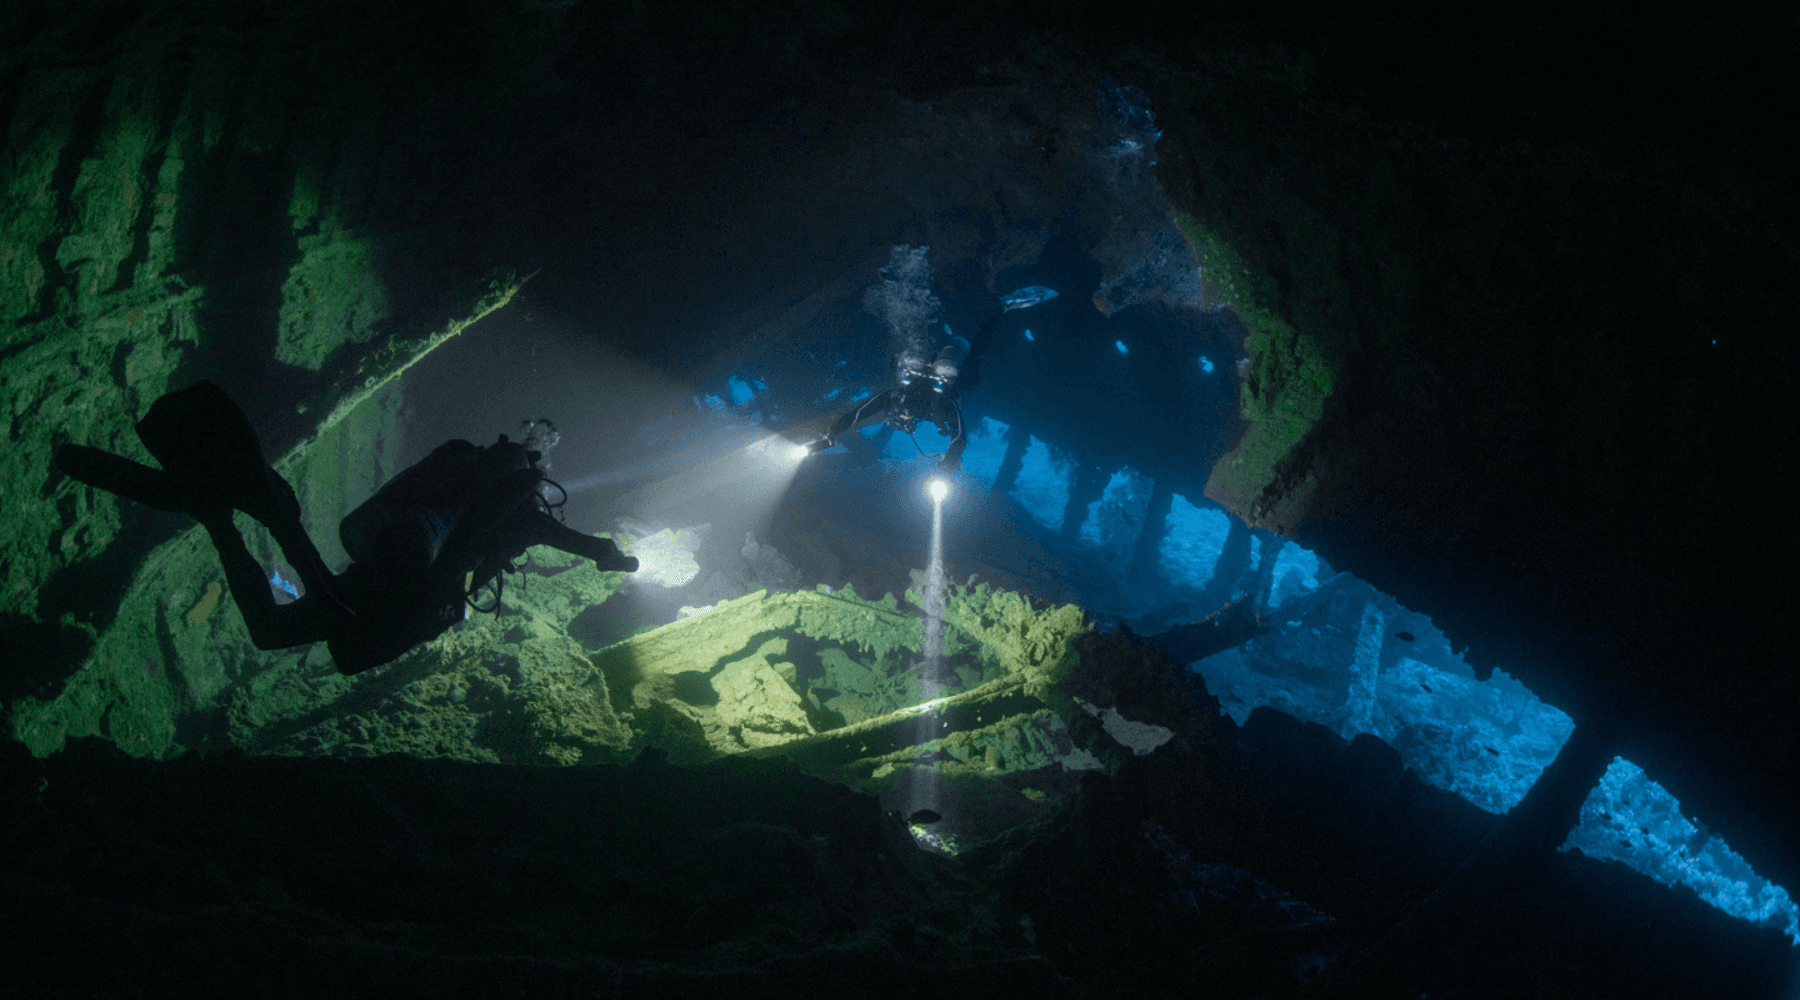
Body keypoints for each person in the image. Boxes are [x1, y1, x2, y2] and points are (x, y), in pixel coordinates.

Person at [55, 381, 637, 675]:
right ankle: (233, 518)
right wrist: (608, 553)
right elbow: (565, 537)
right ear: (539, 474)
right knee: (277, 626)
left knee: (276, 626)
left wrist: (606, 552)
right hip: (397, 601)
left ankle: (232, 515)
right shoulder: (518, 508)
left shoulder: (488, 490)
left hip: (384, 577)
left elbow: (573, 541)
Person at [802, 285, 1058, 470]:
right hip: (946, 361)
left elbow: (859, 414)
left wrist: (830, 437)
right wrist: (947, 465)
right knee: (968, 348)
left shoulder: (902, 398)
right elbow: (958, 438)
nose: (901, 422)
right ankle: (978, 310)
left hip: (952, 361)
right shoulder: (912, 399)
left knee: (974, 351)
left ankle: (996, 307)